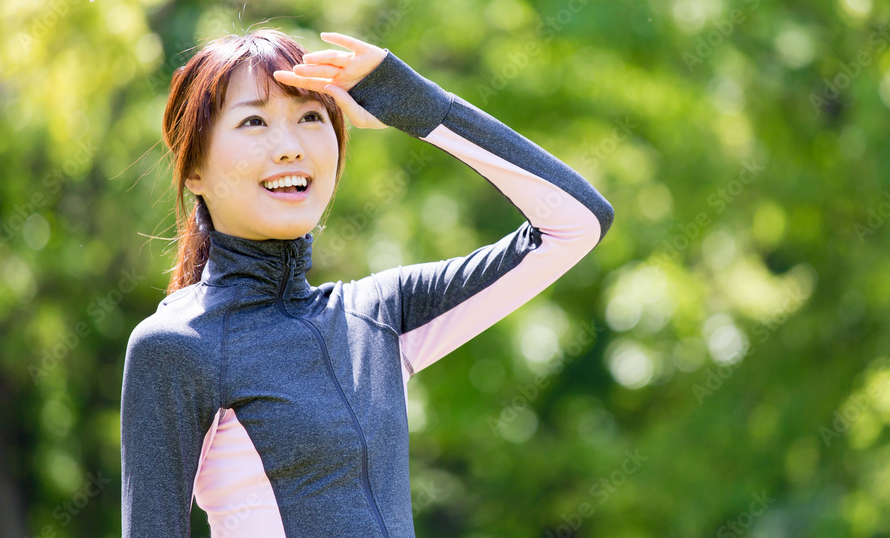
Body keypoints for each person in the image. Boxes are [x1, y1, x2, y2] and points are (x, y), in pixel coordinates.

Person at [119, 28, 614, 537]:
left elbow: (576, 223)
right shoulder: (178, 345)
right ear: (195, 171)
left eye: (311, 117)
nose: (289, 147)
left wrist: (420, 107)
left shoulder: (378, 317)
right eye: (254, 120)